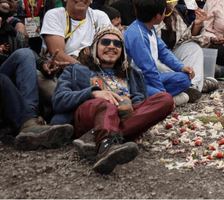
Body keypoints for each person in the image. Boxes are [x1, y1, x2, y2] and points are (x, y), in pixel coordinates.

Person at [53, 26, 174, 173]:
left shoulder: (132, 73)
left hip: (123, 117)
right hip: (89, 116)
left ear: (122, 50)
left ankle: (96, 139)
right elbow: (58, 101)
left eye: (117, 44)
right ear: (95, 47)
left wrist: (128, 102)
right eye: (105, 42)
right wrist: (92, 93)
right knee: (105, 103)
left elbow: (140, 108)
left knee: (165, 99)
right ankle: (106, 145)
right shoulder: (76, 70)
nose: (112, 46)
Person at [0, 0, 75, 150]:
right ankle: (28, 122)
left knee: (24, 54)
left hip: (1, 91)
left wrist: (44, 65)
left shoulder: (14, 35)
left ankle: (30, 119)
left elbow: (31, 56)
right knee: (0, 78)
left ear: (16, 8)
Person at [39, 0, 112, 103]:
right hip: (62, 75)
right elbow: (59, 56)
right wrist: (89, 74)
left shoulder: (100, 17)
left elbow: (110, 48)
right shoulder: (54, 15)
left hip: (97, 73)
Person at [124, 0, 197, 103]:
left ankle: (162, 99)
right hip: (137, 81)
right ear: (157, 16)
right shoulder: (137, 34)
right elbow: (148, 68)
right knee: (159, 95)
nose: (165, 14)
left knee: (185, 79)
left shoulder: (150, 27)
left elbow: (163, 52)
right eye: (164, 12)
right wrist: (162, 92)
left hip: (150, 77)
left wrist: (181, 67)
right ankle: (163, 99)